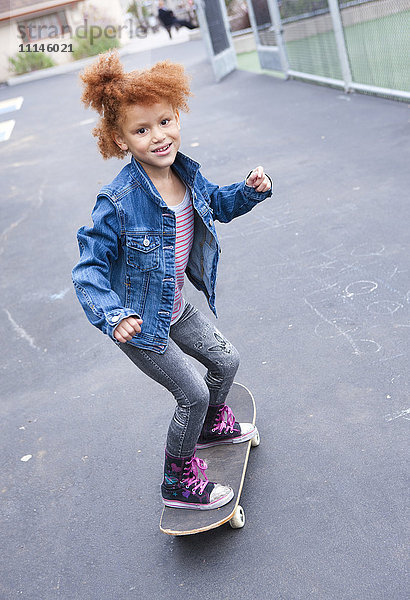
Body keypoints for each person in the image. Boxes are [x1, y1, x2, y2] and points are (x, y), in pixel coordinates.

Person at [72, 51, 273, 510]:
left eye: (164, 121)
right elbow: (88, 268)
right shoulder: (118, 200)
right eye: (141, 130)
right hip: (139, 324)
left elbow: (218, 204)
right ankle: (178, 481)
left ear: (177, 115)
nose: (158, 136)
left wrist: (250, 191)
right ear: (119, 140)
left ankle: (208, 428)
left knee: (226, 362)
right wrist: (114, 314)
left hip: (174, 305)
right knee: (192, 393)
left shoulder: (186, 172)